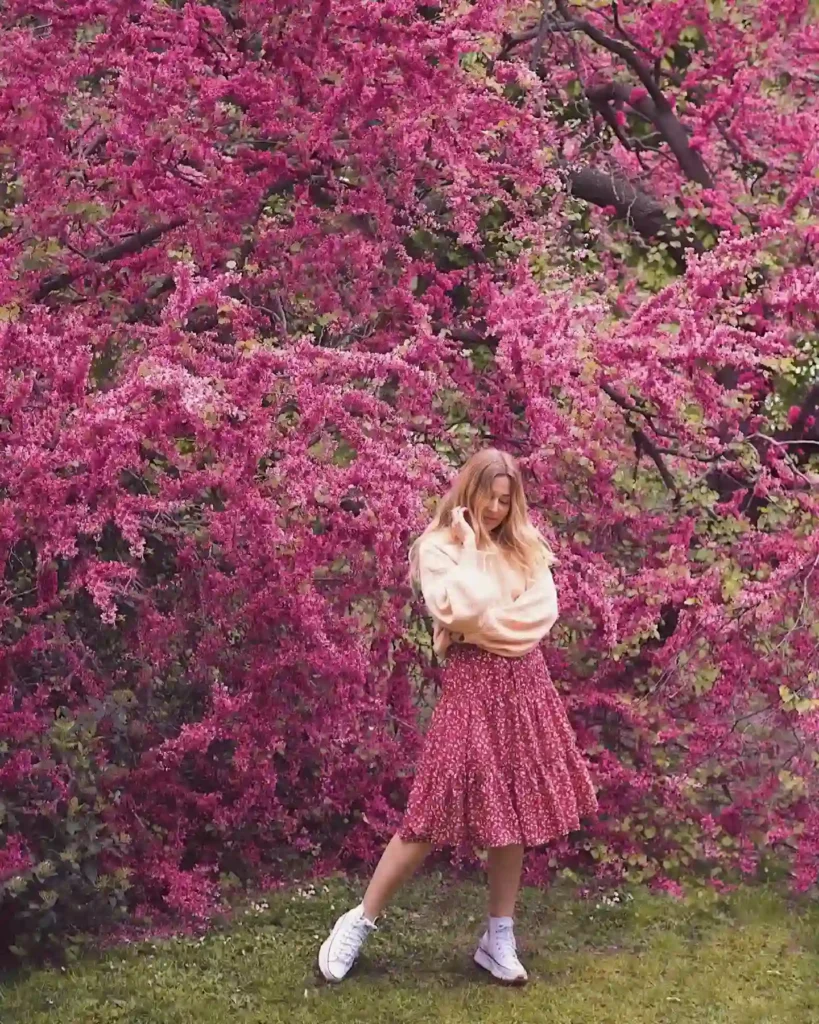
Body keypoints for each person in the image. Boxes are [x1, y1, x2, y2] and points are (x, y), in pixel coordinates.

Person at [318, 448, 597, 985]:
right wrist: (472, 554)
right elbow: (456, 611)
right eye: (489, 498)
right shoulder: (439, 547)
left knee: (513, 810)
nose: (496, 510)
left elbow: (541, 613)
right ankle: (358, 921)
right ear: (468, 491)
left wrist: (480, 625)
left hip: (524, 686)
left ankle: (498, 936)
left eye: (505, 500)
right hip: (472, 688)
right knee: (426, 815)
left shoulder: (524, 543)